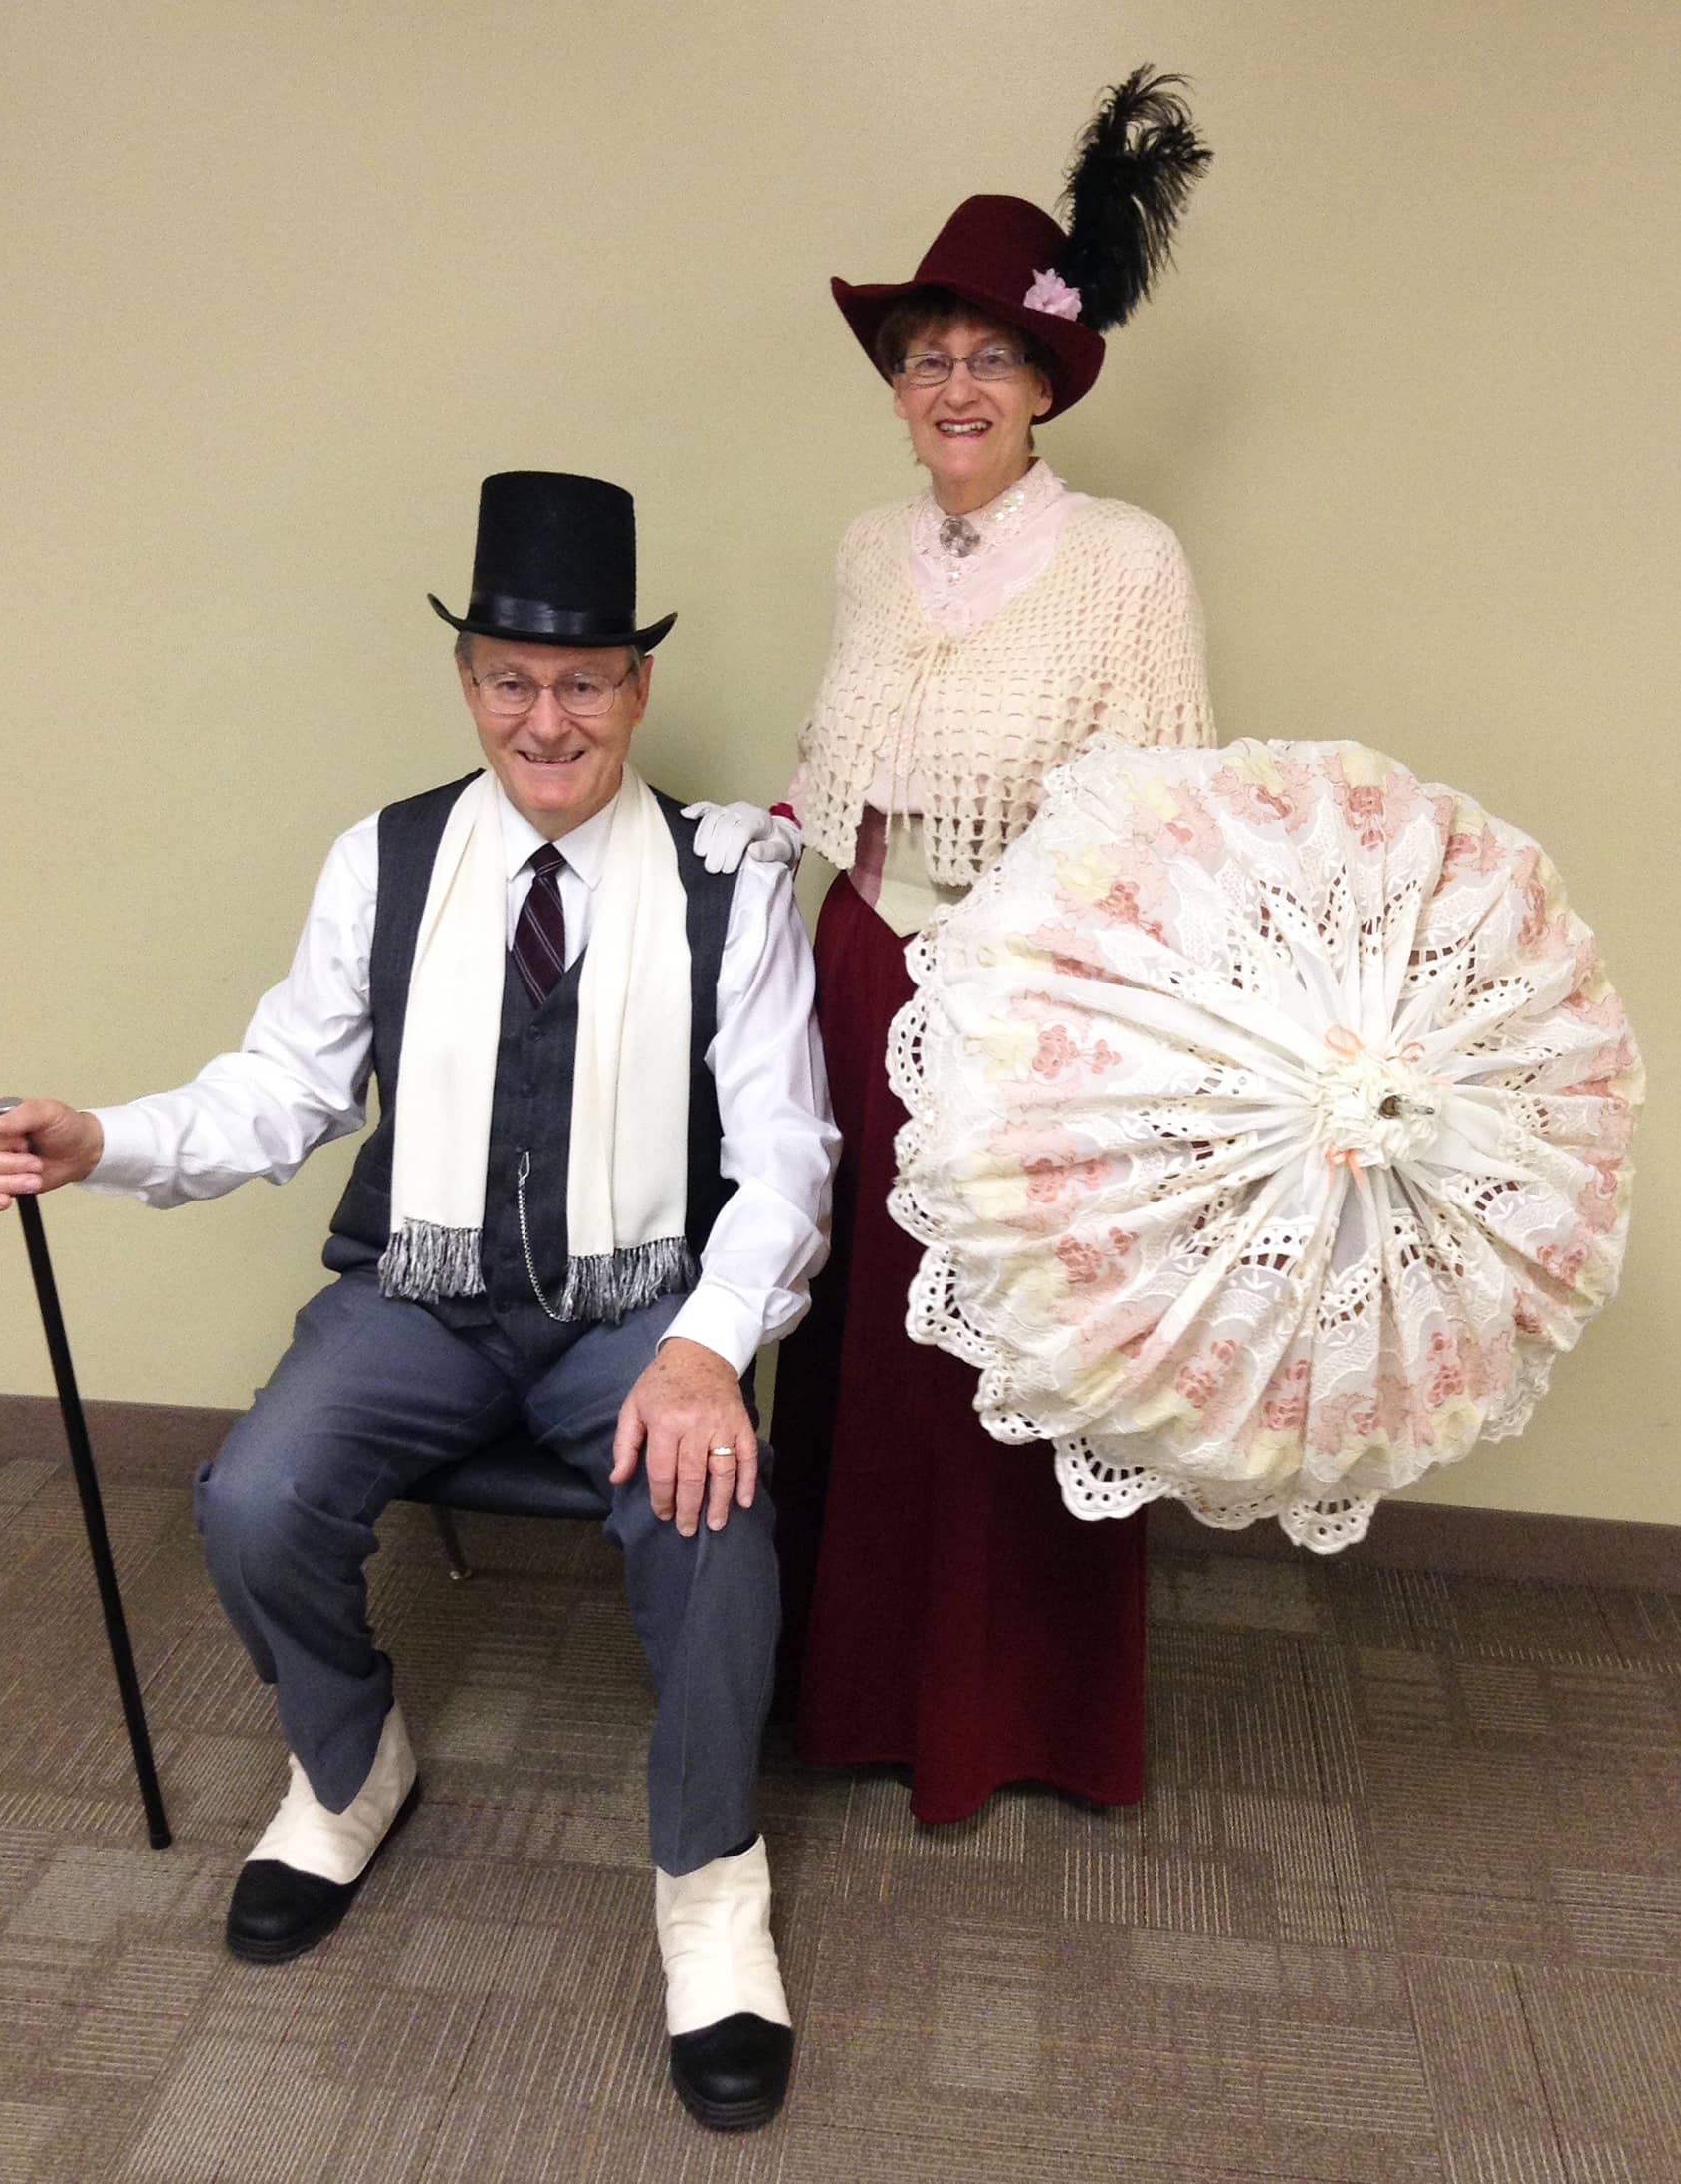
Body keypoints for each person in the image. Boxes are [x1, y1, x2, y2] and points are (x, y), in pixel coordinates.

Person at [0, 470, 838, 2133]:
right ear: (466, 682)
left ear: (639, 687)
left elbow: (790, 1158)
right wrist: (97, 1139)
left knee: (714, 1514)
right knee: (253, 1493)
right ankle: (352, 1765)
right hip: (421, 1302)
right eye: (511, 675)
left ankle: (712, 1883)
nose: (547, 714)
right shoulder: (386, 858)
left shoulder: (736, 881)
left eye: (583, 680)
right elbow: (276, 1092)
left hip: (633, 1310)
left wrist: (708, 1352)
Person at [688, 71, 1214, 1824]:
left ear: (1049, 379)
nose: (954, 386)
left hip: (1024, 1012)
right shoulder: (863, 549)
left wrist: (1089, 1029)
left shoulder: (1128, 561)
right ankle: (844, 1692)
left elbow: (1160, 822)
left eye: (989, 356)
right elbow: (837, 780)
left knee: (1005, 1347)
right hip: (856, 978)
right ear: (897, 387)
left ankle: (1008, 1719)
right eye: (927, 355)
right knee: (854, 1337)